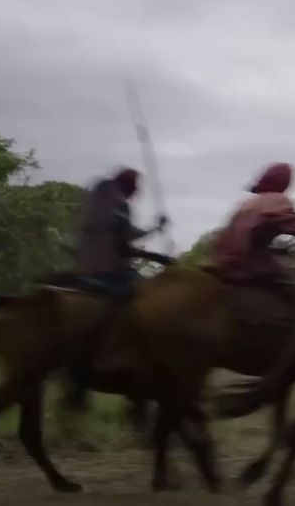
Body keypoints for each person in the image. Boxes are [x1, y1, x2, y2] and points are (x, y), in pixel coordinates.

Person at [63, 167, 172, 411]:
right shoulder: (117, 201)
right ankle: (122, 357)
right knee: (144, 303)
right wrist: (156, 256)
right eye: (136, 188)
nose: (137, 192)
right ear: (129, 186)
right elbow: (123, 244)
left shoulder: (102, 197)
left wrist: (154, 228)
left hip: (85, 264)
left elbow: (125, 233)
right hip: (108, 269)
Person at [211, 162, 295, 312]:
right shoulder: (278, 200)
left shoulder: (247, 203)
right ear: (285, 182)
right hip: (249, 264)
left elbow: (256, 229)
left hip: (222, 262)